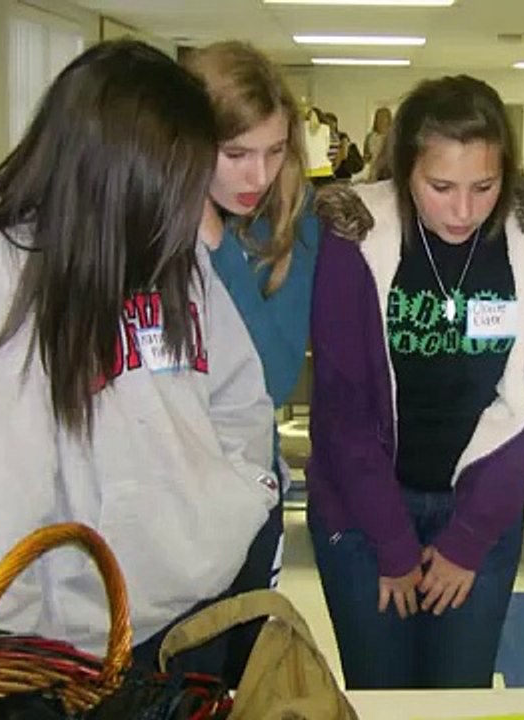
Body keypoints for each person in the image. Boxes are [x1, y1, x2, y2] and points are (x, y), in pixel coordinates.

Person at [0, 40, 279, 664]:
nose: (184, 203)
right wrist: (4, 649)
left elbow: (239, 391)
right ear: (117, 169)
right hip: (74, 640)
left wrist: (244, 497)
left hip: (197, 604)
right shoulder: (3, 261)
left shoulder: (166, 239)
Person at [306, 74, 524, 689]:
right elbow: (342, 410)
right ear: (405, 172)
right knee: (382, 694)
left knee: (460, 692)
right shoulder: (356, 236)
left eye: (484, 186)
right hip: (365, 511)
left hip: (481, 505)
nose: (463, 210)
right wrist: (395, 546)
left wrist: (470, 535)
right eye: (441, 187)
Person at [175, 39, 320, 686]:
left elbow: (273, 375)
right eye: (234, 154)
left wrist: (216, 246)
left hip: (244, 495)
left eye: (274, 151)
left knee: (229, 675)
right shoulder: (143, 216)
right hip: (157, 496)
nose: (256, 176)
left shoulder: (291, 220)